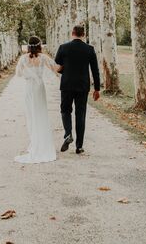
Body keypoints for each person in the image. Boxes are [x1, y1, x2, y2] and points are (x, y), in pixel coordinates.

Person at [55, 25, 100, 154]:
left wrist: (66, 70)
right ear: (83, 35)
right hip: (82, 86)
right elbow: (95, 70)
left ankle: (68, 134)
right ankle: (79, 146)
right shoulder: (89, 49)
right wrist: (97, 89)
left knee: (65, 110)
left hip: (67, 85)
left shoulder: (64, 47)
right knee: (80, 115)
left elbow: (58, 64)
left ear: (72, 33)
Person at [15, 36, 59, 164]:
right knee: (41, 114)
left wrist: (28, 73)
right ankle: (42, 144)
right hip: (40, 88)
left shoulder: (23, 59)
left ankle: (35, 143)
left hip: (29, 88)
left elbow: (18, 74)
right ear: (39, 45)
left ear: (29, 46)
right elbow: (56, 68)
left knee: (32, 115)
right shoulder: (43, 58)